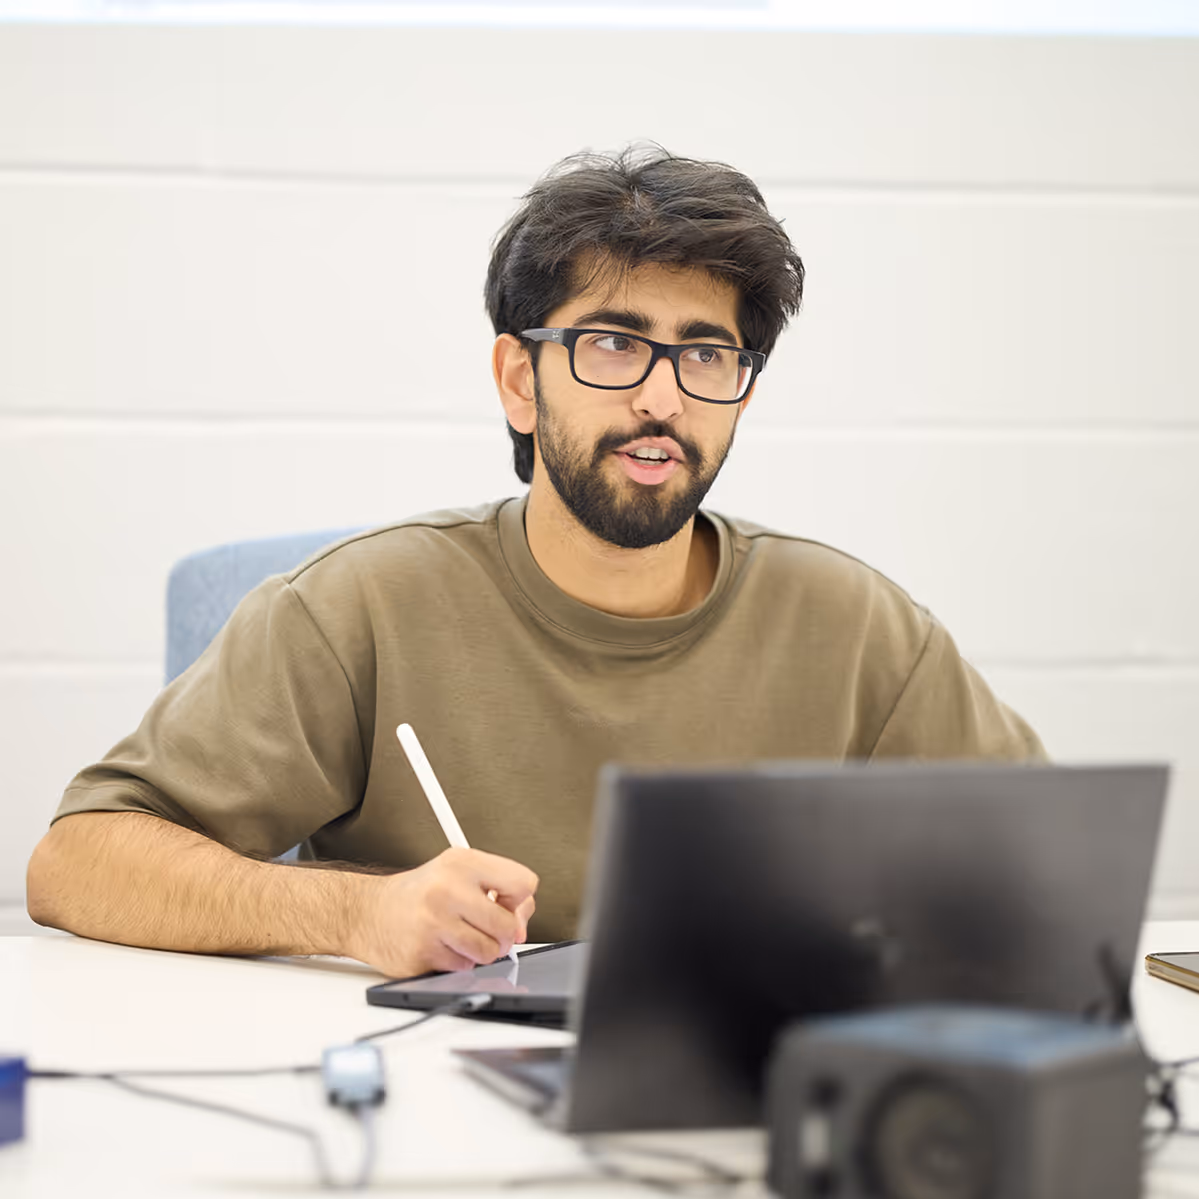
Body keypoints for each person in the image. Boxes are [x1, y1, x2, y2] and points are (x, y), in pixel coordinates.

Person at [26, 146, 1044, 979]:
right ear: (520, 378)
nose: (661, 397)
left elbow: (1041, 867)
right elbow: (77, 861)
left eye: (707, 354)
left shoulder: (855, 625)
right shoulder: (358, 606)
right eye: (613, 343)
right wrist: (357, 910)